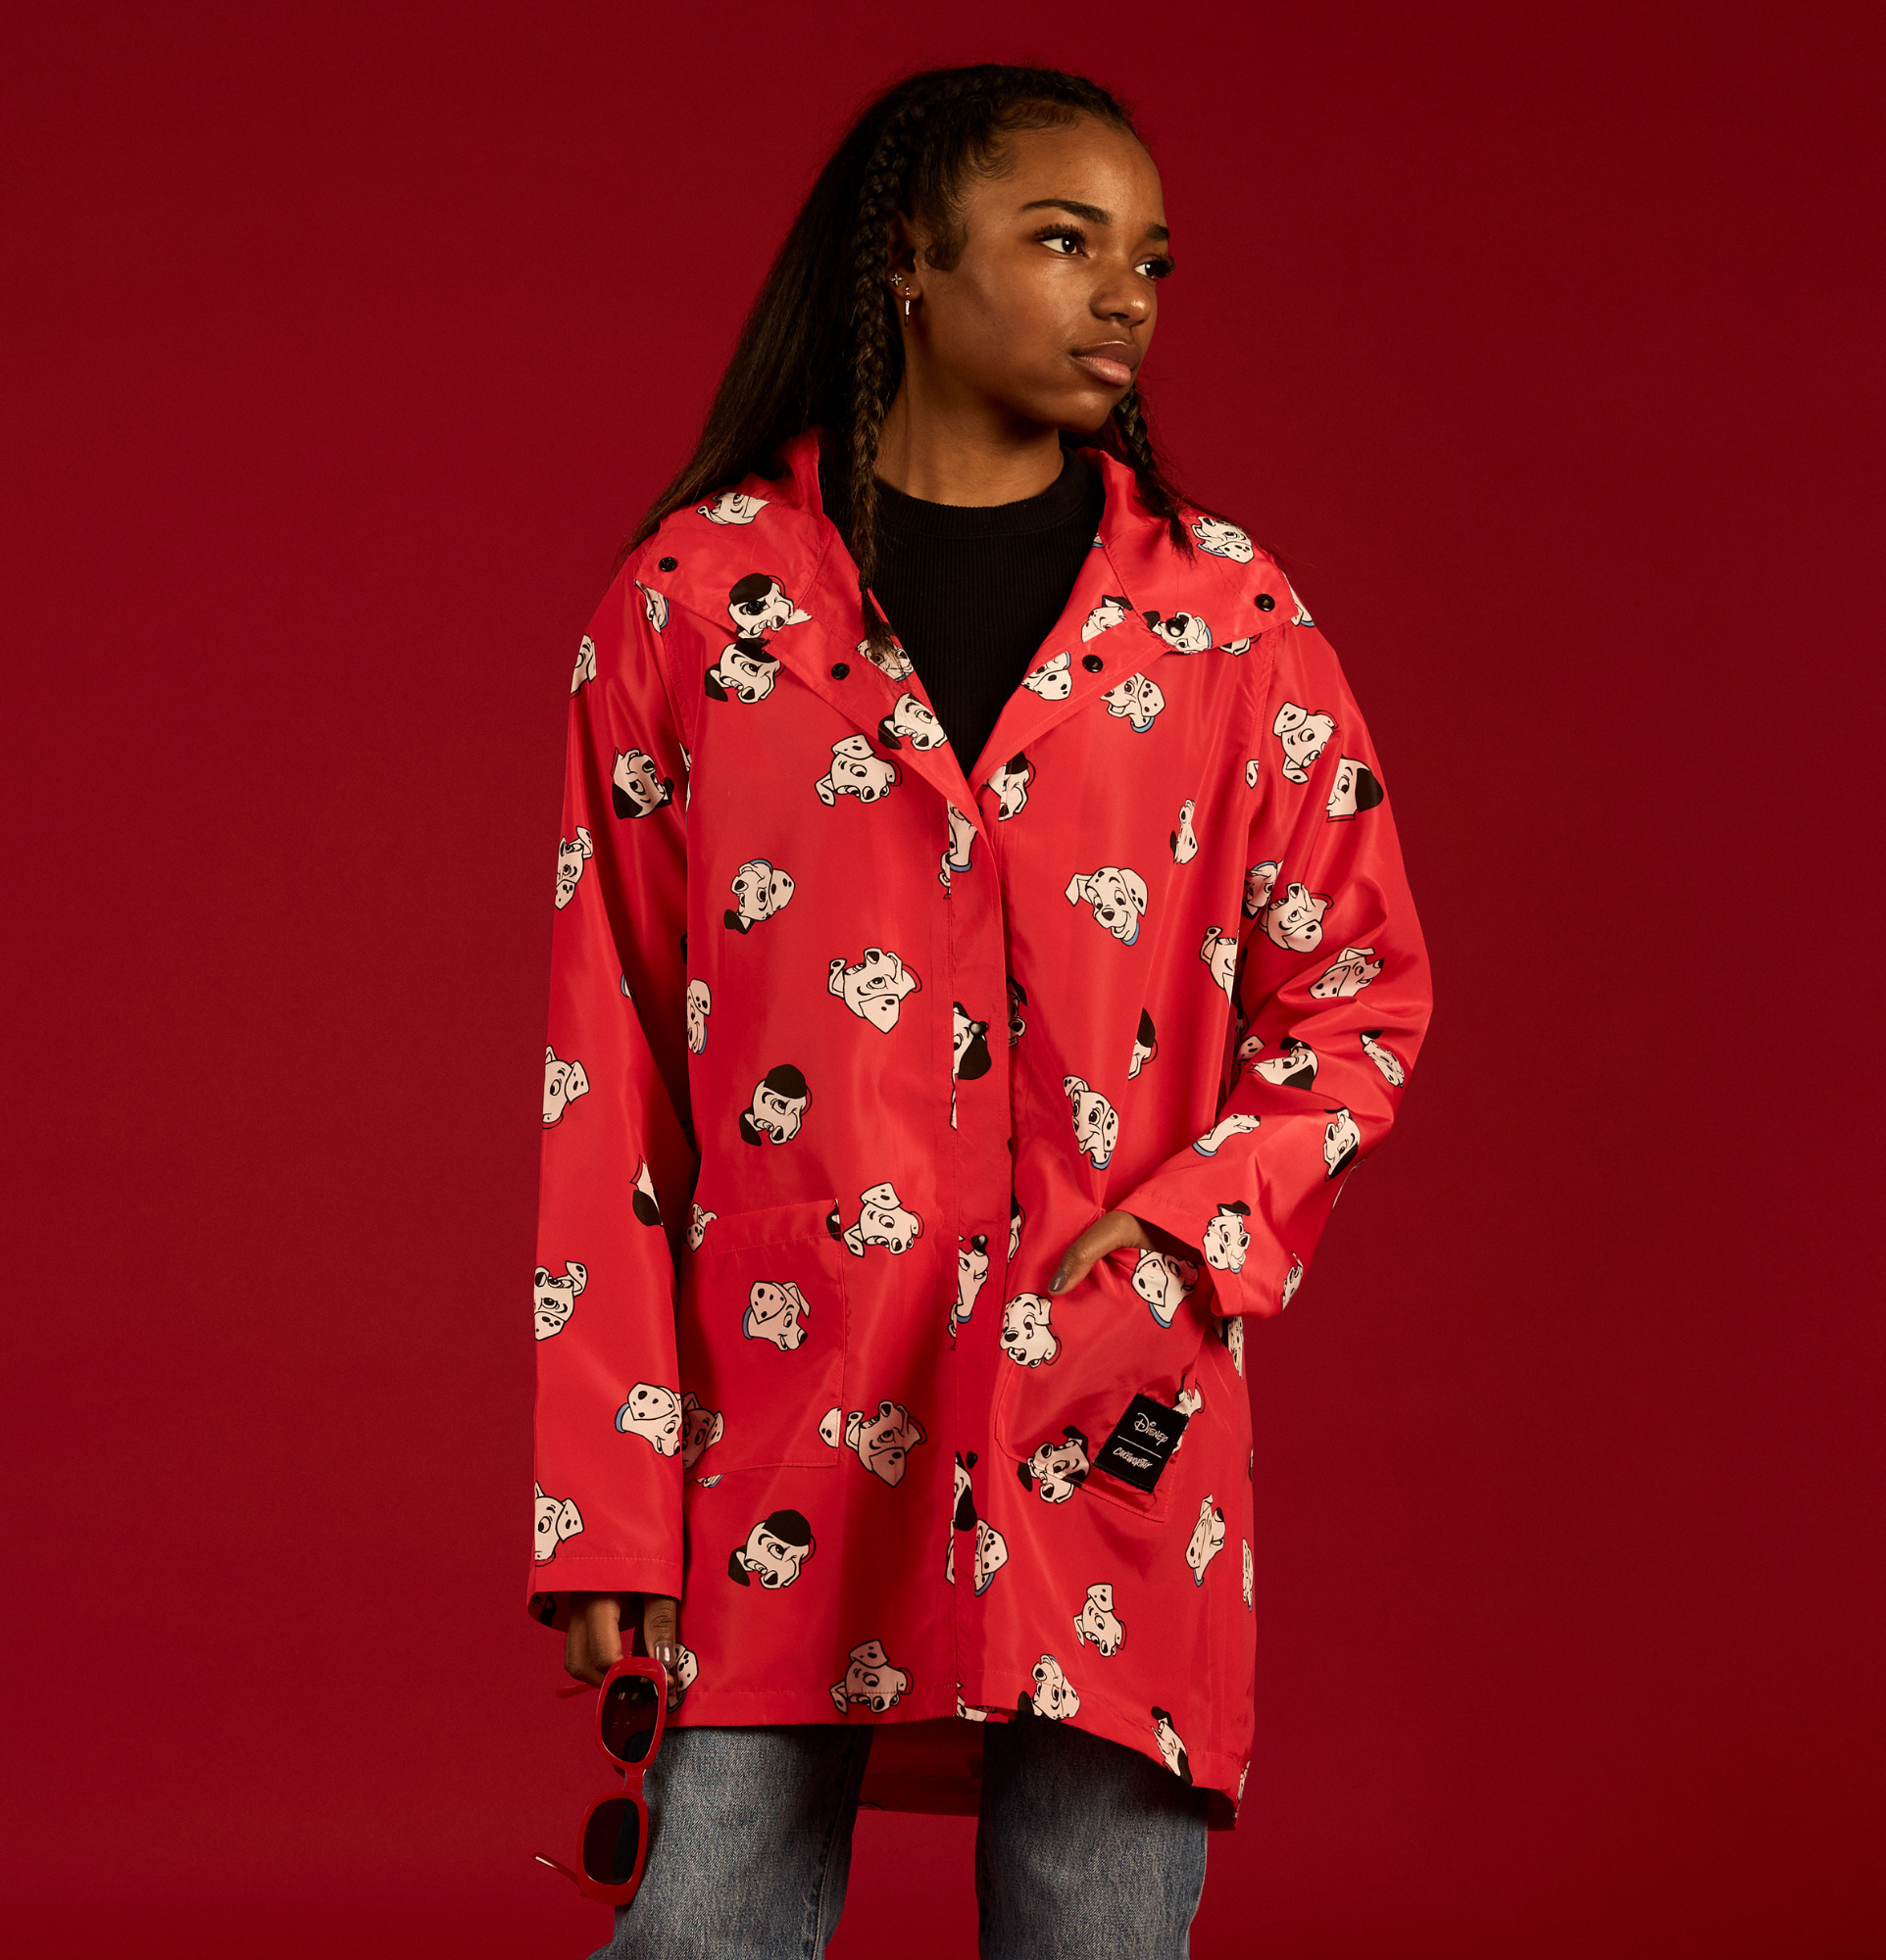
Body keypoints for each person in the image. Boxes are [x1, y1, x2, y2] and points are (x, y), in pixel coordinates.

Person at [527, 61, 1432, 1959]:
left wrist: (1177, 1245)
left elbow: (1357, 999)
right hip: (784, 1414)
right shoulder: (697, 606)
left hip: (1109, 1424)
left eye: (1149, 259)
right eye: (1063, 239)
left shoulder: (1225, 620)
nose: (1125, 297)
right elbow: (606, 1072)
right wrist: (604, 1497)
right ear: (910, 266)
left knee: (1095, 1931)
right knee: (699, 1922)